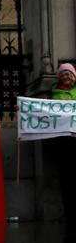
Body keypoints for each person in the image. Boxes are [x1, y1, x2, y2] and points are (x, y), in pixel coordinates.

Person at [50, 63, 76, 222]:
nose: (67, 77)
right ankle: (71, 214)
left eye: (70, 74)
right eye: (64, 74)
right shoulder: (51, 95)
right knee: (67, 180)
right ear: (59, 77)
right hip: (64, 144)